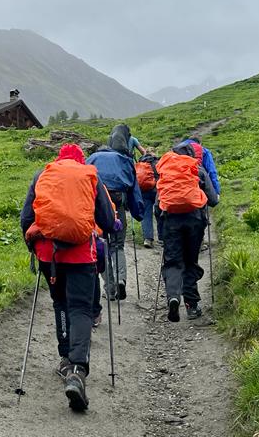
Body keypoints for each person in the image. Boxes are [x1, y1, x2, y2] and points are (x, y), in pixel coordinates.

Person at [20, 143, 117, 411]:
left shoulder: (43, 174)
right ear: (81, 160)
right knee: (81, 309)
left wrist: (33, 247)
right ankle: (77, 369)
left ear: (59, 159)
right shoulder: (89, 175)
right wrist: (112, 228)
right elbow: (107, 221)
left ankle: (65, 359)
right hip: (80, 255)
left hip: (48, 256)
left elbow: (26, 217)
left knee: (60, 304)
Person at [156, 140, 219, 322]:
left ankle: (173, 297)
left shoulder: (166, 173)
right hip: (194, 221)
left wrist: (161, 229)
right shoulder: (197, 170)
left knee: (173, 262)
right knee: (190, 261)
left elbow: (157, 205)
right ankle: (191, 305)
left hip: (171, 222)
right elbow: (213, 200)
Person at [87, 144, 144, 301]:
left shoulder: (91, 159)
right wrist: (138, 212)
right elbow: (134, 188)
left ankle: (110, 289)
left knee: (101, 245)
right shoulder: (123, 159)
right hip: (118, 204)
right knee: (117, 245)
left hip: (97, 207)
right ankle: (121, 279)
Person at [135, 152, 159, 247]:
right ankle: (162, 238)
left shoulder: (140, 165)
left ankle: (148, 239)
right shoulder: (158, 163)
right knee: (159, 213)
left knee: (146, 215)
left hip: (144, 191)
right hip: (157, 191)